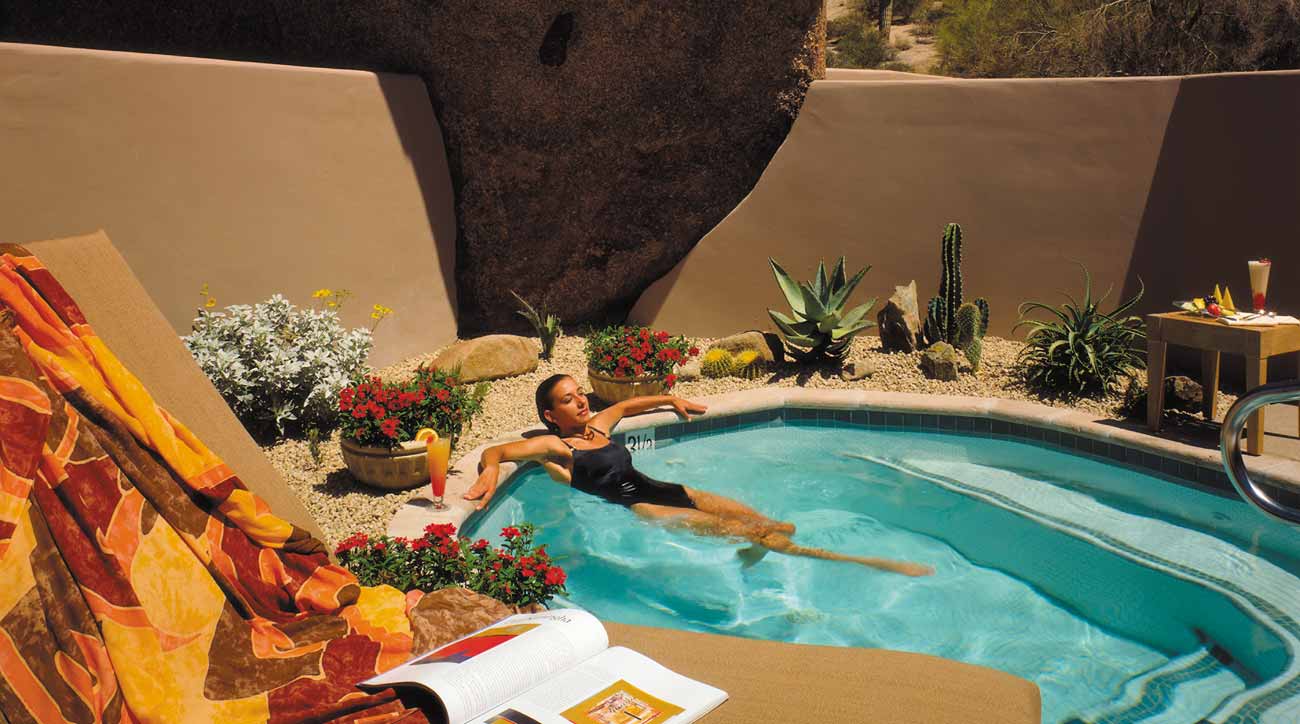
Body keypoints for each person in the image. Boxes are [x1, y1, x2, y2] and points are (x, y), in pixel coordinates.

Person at [464, 374, 933, 576]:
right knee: (769, 536)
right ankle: (868, 562)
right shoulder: (557, 446)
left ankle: (756, 549)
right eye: (567, 400)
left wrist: (672, 400)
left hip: (673, 490)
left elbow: (627, 404)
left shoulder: (598, 425)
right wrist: (488, 472)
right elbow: (497, 450)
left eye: (579, 393)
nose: (580, 401)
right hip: (644, 507)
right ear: (550, 415)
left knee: (772, 523)